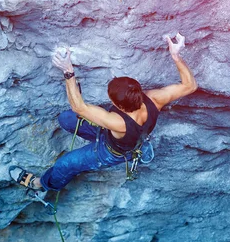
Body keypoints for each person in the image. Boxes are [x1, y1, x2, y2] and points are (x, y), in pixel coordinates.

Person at [10, 33, 197, 193]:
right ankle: (135, 150)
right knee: (66, 119)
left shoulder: (117, 122)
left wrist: (68, 71)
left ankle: (43, 186)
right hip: (116, 135)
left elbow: (79, 108)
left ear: (119, 106)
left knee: (64, 164)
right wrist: (175, 55)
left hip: (109, 151)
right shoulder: (154, 99)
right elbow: (190, 85)